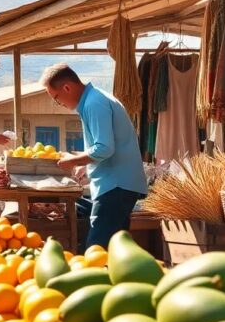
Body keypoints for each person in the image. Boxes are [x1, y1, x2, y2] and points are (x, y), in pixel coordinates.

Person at [41, 64, 148, 249]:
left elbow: (104, 148)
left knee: (96, 249)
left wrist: (72, 161)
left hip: (116, 186)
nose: (60, 104)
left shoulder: (94, 103)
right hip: (119, 184)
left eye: (57, 98)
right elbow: (103, 147)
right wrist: (86, 165)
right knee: (116, 250)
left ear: (67, 87)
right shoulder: (94, 99)